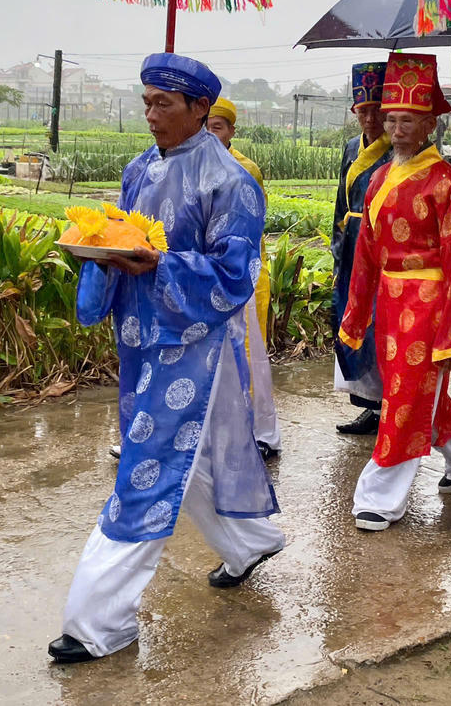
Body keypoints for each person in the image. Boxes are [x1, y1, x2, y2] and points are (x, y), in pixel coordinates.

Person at [49, 53, 284, 664]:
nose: (150, 115)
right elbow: (122, 236)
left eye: (164, 104)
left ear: (200, 108)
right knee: (183, 455)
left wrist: (162, 265)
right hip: (136, 336)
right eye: (146, 100)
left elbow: (236, 276)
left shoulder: (231, 182)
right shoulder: (137, 170)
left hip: (193, 347)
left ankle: (97, 620)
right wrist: (103, 250)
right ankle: (250, 541)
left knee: (146, 467)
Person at [338, 52, 451, 532]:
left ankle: (381, 497)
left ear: (428, 127)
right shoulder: (380, 177)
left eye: (407, 121)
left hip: (430, 303)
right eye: (391, 120)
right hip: (390, 301)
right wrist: (356, 311)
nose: (397, 129)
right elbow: (365, 250)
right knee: (421, 395)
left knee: (403, 399)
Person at [208, 96, 281, 460]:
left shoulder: (244, 170)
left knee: (249, 354)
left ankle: (261, 432)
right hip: (206, 275)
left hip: (243, 271)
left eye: (217, 127)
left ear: (232, 131)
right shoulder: (190, 165)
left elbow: (250, 224)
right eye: (204, 126)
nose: (210, 134)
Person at [331, 63, 393, 436]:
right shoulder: (352, 148)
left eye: (377, 109)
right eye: (363, 110)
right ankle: (369, 405)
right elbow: (341, 201)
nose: (370, 118)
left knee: (381, 322)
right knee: (355, 320)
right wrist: (338, 247)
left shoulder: (399, 150)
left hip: (382, 246)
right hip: (352, 240)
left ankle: (389, 402)